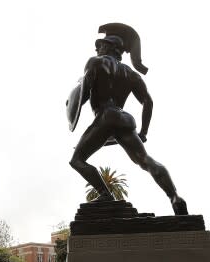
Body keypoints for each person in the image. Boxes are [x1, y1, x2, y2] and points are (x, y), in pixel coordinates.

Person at [68, 24, 187, 215]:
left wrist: (73, 105)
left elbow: (84, 92)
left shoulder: (96, 63)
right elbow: (148, 102)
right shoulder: (131, 74)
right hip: (125, 119)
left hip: (105, 116)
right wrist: (144, 132)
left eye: (100, 45)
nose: (97, 49)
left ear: (108, 47)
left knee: (77, 160)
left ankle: (106, 195)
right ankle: (175, 197)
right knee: (146, 161)